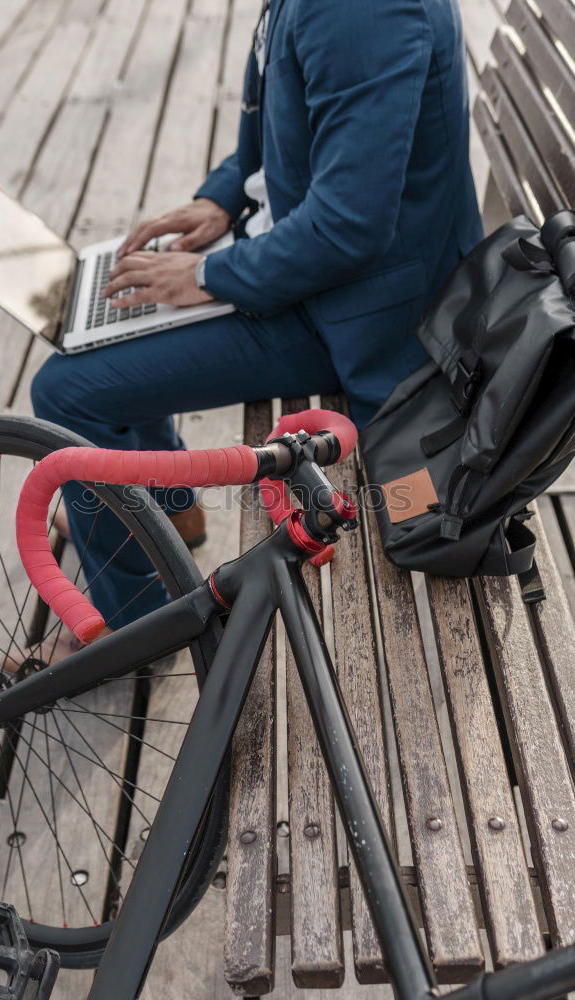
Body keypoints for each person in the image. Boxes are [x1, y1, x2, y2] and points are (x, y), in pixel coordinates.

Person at [30, 0, 483, 656]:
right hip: (317, 276)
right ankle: (171, 509)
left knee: (70, 390)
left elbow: (349, 225)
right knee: (103, 326)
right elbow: (273, 127)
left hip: (363, 318)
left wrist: (206, 278)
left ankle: (131, 630)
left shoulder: (365, 12)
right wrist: (222, 200)